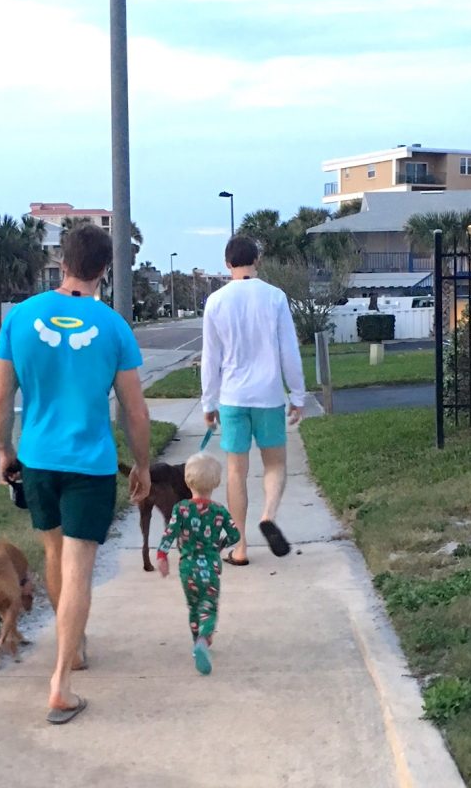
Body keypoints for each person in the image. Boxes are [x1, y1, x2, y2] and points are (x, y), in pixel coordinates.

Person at [0, 223, 152, 724]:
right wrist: (142, 463)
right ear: (106, 268)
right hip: (90, 465)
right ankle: (61, 677)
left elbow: (0, 399)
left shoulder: (20, 317)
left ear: (62, 262)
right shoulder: (113, 327)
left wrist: (3, 451)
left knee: (55, 553)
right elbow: (134, 409)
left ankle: (74, 644)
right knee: (79, 564)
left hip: (37, 460)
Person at [200, 234, 306, 564]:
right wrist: (298, 394)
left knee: (236, 472)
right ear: (256, 261)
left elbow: (210, 358)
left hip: (232, 398)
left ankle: (241, 546)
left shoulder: (216, 302)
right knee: (274, 464)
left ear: (227, 263)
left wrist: (208, 402)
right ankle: (268, 515)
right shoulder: (275, 297)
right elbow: (289, 350)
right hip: (269, 395)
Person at [156, 451, 240, 675]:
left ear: (186, 480)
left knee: (193, 606)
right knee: (208, 606)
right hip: (210, 567)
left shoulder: (180, 509)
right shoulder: (219, 511)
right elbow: (235, 536)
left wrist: (162, 557)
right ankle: (204, 639)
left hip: (187, 568)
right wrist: (221, 545)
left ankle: (196, 641)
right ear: (216, 483)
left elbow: (169, 534)